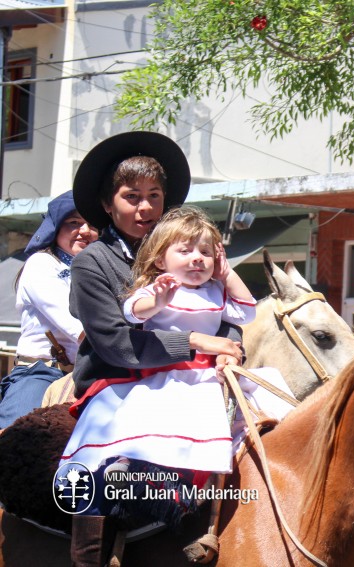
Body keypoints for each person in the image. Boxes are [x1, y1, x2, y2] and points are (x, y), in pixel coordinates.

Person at [60, 131, 244, 567]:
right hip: (117, 381)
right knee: (100, 467)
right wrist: (196, 342)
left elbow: (227, 314)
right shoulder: (93, 262)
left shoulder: (190, 250)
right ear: (108, 204)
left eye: (154, 195)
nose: (145, 207)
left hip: (196, 379)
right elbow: (116, 343)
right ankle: (91, 558)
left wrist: (228, 349)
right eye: (131, 196)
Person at [61, 207, 265, 476]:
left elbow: (247, 312)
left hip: (208, 373)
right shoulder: (159, 286)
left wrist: (226, 274)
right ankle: (130, 460)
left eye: (206, 253)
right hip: (166, 368)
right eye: (185, 251)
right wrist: (158, 302)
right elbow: (132, 312)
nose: (197, 259)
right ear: (160, 261)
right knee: (151, 412)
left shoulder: (216, 292)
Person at [0, 192, 98, 428]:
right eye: (74, 222)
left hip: (91, 374)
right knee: (20, 436)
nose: (85, 230)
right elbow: (79, 327)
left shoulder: (102, 269)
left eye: (92, 224)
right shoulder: (41, 264)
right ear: (56, 227)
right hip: (43, 372)